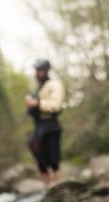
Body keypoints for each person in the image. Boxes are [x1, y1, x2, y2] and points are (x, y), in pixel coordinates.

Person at [25, 58, 64, 186]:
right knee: (41, 162)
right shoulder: (38, 88)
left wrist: (37, 103)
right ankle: (47, 188)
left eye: (40, 70)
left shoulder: (54, 85)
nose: (37, 73)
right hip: (39, 127)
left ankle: (58, 188)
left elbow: (56, 105)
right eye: (36, 70)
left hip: (51, 126)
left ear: (46, 71)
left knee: (54, 161)